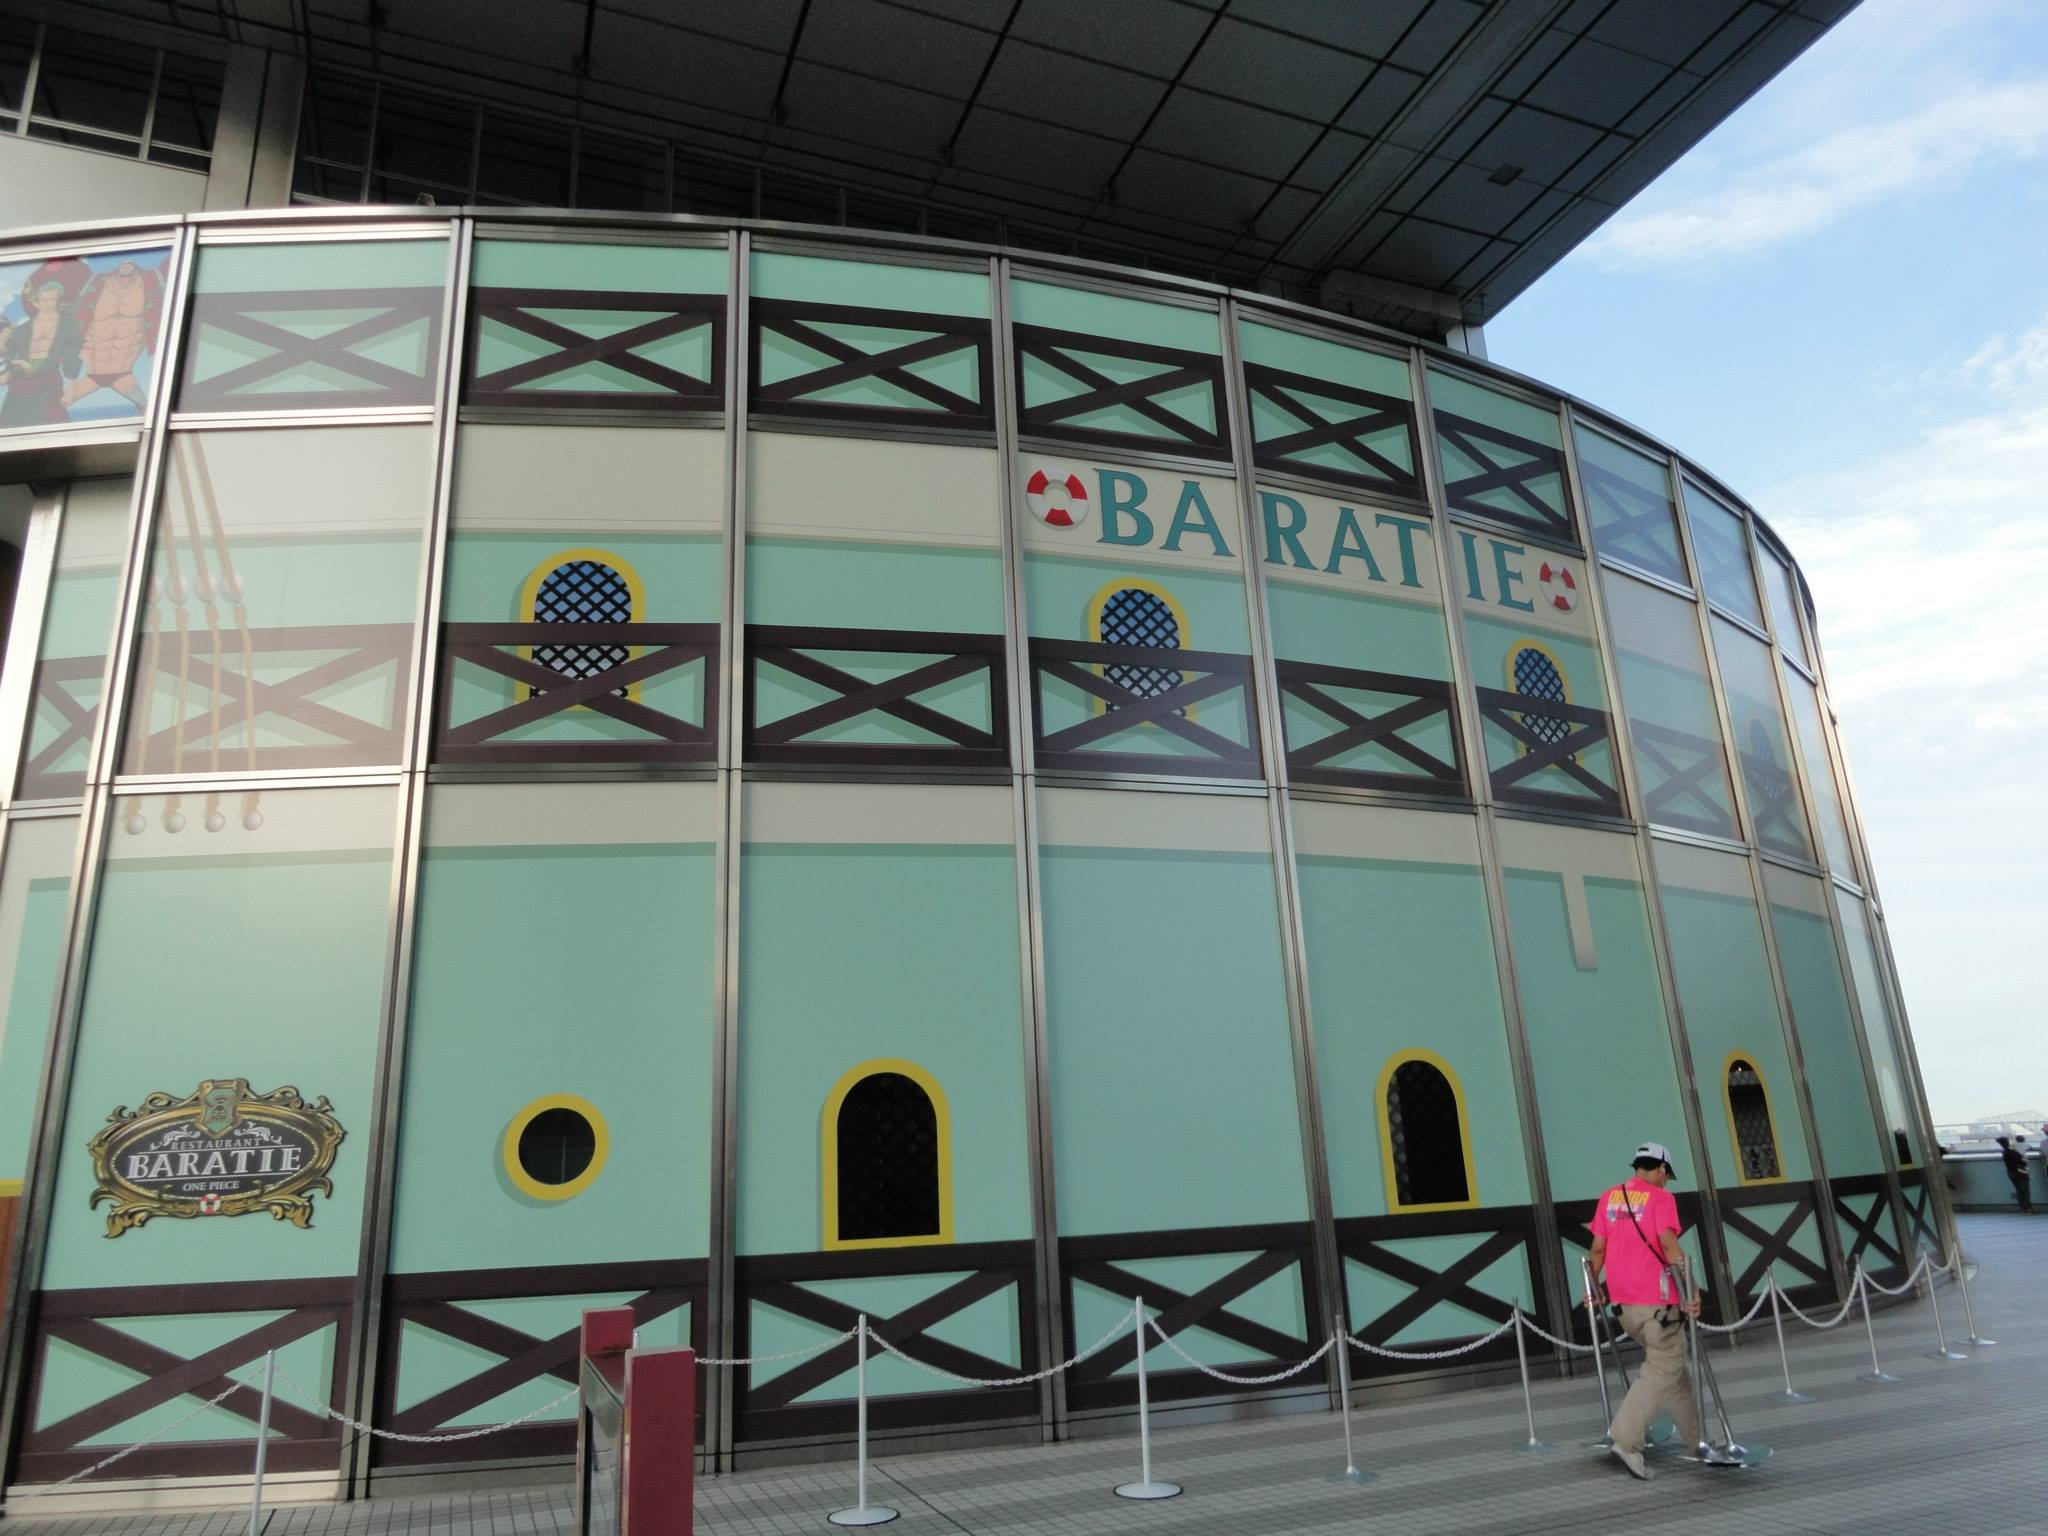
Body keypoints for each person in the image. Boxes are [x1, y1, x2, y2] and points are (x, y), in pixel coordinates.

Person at [1587, 1141, 1703, 1481]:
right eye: (1668, 1175)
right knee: (1662, 1367)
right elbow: (1668, 1244)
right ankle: (1625, 1440)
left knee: (1675, 1371)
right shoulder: (1661, 1198)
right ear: (1662, 1169)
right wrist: (1691, 1288)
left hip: (1624, 1305)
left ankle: (1697, 1441)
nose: (1667, 1181)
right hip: (1658, 1303)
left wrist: (1593, 1287)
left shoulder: (1609, 1197)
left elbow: (1598, 1249)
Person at [1997, 1136, 2034, 1213]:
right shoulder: (2012, 1151)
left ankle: (2023, 1208)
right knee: (2025, 1190)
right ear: (2008, 1142)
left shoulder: (2005, 1152)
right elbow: (2023, 1160)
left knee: (2019, 1190)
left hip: (2011, 1172)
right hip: (2020, 1172)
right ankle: (2028, 1208)